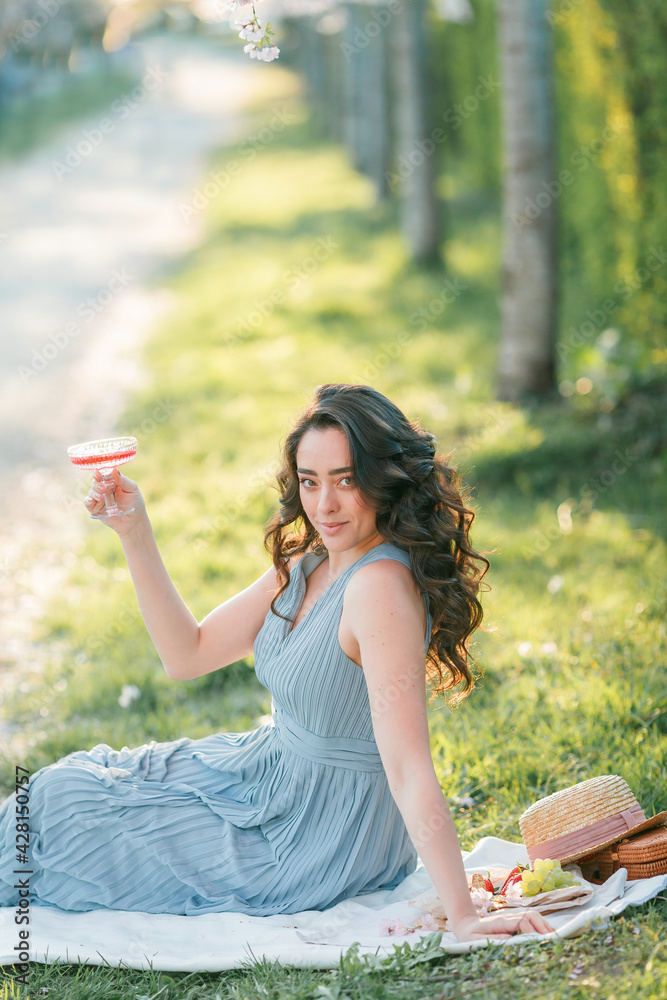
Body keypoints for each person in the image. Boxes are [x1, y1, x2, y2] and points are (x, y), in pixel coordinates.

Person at [0, 383, 552, 943]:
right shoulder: (311, 562)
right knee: (59, 790)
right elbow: (185, 654)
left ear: (386, 480)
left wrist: (464, 917)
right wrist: (133, 530)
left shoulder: (379, 588)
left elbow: (409, 766)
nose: (325, 505)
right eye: (310, 482)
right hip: (266, 778)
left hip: (321, 834)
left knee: (59, 808)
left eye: (347, 480)